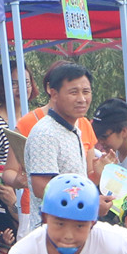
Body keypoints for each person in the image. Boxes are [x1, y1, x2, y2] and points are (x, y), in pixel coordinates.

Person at [25, 63, 98, 204]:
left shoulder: (73, 129)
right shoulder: (46, 134)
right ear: (54, 94)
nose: (82, 99)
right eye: (74, 92)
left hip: (75, 222)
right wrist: (85, 202)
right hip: (53, 224)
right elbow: (41, 188)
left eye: (86, 91)